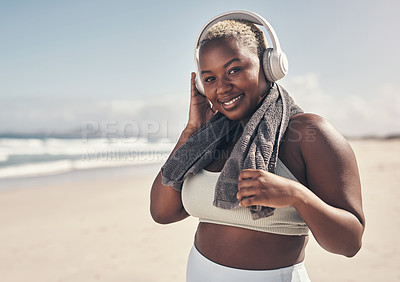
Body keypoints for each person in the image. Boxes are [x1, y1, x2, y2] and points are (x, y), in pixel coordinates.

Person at [150, 10, 365, 282]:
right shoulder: (208, 139)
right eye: (210, 79)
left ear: (269, 66)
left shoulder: (310, 132)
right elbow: (163, 213)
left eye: (235, 70)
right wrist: (191, 132)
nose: (223, 88)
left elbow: (350, 242)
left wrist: (296, 195)